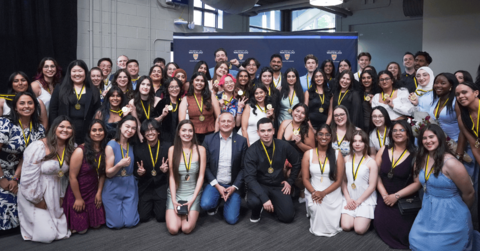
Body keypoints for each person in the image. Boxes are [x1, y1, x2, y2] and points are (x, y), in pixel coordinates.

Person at [409, 124, 480, 250]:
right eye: (424, 138)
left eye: (431, 137)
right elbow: (420, 181)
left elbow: (469, 193)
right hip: (427, 211)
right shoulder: (420, 160)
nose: (428, 141)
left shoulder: (451, 163)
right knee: (415, 240)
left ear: (440, 138)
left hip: (452, 214)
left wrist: (461, 212)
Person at [17, 116, 75, 242]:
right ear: (54, 128)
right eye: (62, 126)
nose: (65, 130)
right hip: (35, 192)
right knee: (47, 236)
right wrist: (36, 199)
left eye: (69, 127)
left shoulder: (71, 148)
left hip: (55, 192)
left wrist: (61, 195)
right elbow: (27, 178)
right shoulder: (38, 146)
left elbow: (64, 177)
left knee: (62, 231)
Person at [0, 92, 46, 232]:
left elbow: (27, 157)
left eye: (30, 103)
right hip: (1, 169)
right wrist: (2, 178)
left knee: (25, 196)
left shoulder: (39, 129)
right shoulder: (4, 123)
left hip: (22, 171)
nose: (27, 106)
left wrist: (15, 178)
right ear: (15, 107)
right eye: (22, 103)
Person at [244, 118, 301, 223]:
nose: (266, 134)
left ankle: (274, 202)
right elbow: (249, 178)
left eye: (269, 130)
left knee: (287, 218)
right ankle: (258, 209)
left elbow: (297, 162)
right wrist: (264, 198)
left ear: (273, 131)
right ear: (258, 132)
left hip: (278, 185)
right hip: (260, 185)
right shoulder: (252, 151)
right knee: (254, 202)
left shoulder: (283, 145)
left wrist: (290, 181)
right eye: (262, 131)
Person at [374, 120, 420, 249]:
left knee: (403, 232)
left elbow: (417, 183)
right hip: (384, 194)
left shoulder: (415, 155)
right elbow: (375, 175)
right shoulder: (383, 149)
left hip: (404, 197)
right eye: (394, 130)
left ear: (408, 134)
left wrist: (396, 196)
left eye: (401, 130)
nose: (398, 133)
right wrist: (384, 195)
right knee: (381, 223)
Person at [201, 112, 247, 224]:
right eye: (223, 121)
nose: (226, 124)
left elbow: (243, 167)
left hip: (232, 184)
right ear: (218, 123)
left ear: (233, 124)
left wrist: (234, 187)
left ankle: (227, 199)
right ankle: (216, 201)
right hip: (215, 183)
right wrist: (217, 186)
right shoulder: (208, 140)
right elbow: (205, 166)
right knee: (205, 204)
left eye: (229, 121)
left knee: (231, 220)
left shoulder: (242, 141)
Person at [62, 119, 107, 234]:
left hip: (93, 191)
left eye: (100, 130)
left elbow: (102, 173)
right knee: (82, 230)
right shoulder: (80, 150)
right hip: (78, 192)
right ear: (89, 133)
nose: (97, 133)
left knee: (97, 225)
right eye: (94, 130)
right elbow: (72, 177)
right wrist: (78, 198)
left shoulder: (104, 150)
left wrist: (99, 192)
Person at [302, 124, 344, 236]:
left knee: (331, 226)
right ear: (316, 136)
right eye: (320, 134)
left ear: (331, 137)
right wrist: (314, 192)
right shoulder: (308, 154)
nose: (323, 137)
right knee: (316, 207)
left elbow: (339, 181)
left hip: (331, 191)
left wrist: (323, 193)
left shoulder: (337, 154)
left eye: (327, 134)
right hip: (313, 190)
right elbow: (305, 179)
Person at [166, 120, 206, 235]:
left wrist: (192, 199)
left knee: (186, 228)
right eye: (184, 130)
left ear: (193, 133)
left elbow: (201, 177)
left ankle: (190, 209)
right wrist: (173, 200)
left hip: (193, 193)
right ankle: (176, 208)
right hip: (176, 193)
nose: (187, 133)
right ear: (178, 132)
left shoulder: (201, 150)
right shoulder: (172, 150)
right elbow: (172, 177)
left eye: (190, 130)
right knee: (173, 229)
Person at [49, 60, 101, 144]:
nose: (77, 74)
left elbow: (97, 112)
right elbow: (53, 110)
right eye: (74, 71)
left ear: (85, 73)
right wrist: (54, 129)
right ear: (69, 73)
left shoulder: (93, 90)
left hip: (86, 132)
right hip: (64, 131)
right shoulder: (60, 89)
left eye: (80, 71)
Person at [103, 115, 139, 229]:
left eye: (133, 128)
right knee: (116, 224)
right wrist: (119, 165)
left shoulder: (132, 145)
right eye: (127, 126)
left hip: (129, 184)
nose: (130, 130)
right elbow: (108, 173)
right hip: (114, 184)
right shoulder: (111, 145)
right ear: (120, 126)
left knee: (131, 223)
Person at [340, 130, 378, 235]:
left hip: (365, 198)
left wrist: (358, 202)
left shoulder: (371, 162)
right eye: (355, 141)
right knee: (346, 227)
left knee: (359, 230)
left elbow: (372, 186)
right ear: (351, 143)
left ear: (365, 143)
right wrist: (348, 199)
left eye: (360, 141)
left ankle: (367, 220)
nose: (357, 144)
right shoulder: (346, 159)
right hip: (350, 197)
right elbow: (343, 180)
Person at [134, 119, 170, 222]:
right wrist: (139, 172)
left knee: (161, 217)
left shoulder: (167, 147)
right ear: (143, 134)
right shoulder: (138, 148)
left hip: (161, 186)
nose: (150, 133)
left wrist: (166, 171)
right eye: (147, 130)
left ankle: (156, 207)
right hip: (146, 187)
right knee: (143, 217)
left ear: (158, 131)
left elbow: (174, 168)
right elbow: (134, 170)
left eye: (153, 129)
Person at [277, 103, 315, 202]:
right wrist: (282, 160)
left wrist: (299, 143)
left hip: (300, 158)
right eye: (297, 111)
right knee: (280, 170)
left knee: (292, 174)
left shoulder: (307, 130)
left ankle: (302, 189)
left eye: (303, 113)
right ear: (292, 111)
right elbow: (278, 144)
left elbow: (312, 150)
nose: (299, 114)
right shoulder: (285, 123)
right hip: (285, 156)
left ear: (306, 116)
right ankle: (289, 189)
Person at [179, 73, 220, 144]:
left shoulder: (211, 96)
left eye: (202, 81)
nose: (199, 83)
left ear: (205, 83)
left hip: (211, 134)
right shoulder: (186, 99)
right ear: (192, 82)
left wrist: (215, 134)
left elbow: (219, 117)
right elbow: (182, 122)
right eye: (197, 80)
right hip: (193, 135)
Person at [128, 76, 162, 141]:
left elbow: (161, 122)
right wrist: (142, 138)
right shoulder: (132, 102)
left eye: (148, 85)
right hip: (140, 134)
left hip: (157, 134)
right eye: (143, 84)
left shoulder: (158, 101)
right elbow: (137, 123)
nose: (145, 87)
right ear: (138, 86)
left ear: (151, 87)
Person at [156, 77, 182, 143]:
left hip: (180, 138)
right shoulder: (162, 103)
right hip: (164, 139)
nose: (174, 89)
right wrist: (162, 115)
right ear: (167, 89)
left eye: (177, 86)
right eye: (171, 87)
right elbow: (154, 121)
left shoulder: (182, 103)